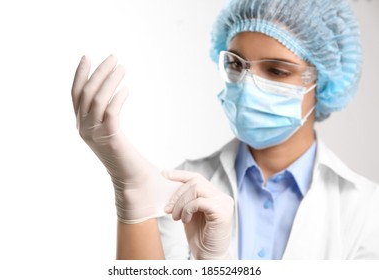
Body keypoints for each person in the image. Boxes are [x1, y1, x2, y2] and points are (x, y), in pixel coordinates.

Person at [71, 0, 379, 260]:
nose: (246, 84)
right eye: (236, 65)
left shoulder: (366, 209)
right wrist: (133, 193)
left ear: (323, 82)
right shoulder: (181, 185)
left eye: (276, 70)